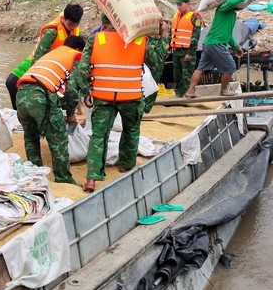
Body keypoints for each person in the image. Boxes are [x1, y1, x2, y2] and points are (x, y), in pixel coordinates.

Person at [76, 14, 166, 193]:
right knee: (131, 131)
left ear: (104, 24)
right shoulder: (140, 39)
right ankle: (126, 166)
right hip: (131, 97)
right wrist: (163, 36)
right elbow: (156, 62)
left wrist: (86, 91)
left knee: (99, 135)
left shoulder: (96, 38)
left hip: (103, 96)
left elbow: (83, 69)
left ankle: (92, 178)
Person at [16, 35, 86, 184]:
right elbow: (72, 91)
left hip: (21, 92)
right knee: (58, 138)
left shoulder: (52, 54)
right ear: (79, 49)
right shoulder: (74, 57)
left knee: (31, 136)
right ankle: (63, 179)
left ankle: (35, 174)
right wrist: (70, 114)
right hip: (40, 95)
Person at [5, 4, 84, 110]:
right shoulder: (52, 31)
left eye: (76, 24)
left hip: (57, 65)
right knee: (11, 82)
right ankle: (19, 113)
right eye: (70, 24)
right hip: (39, 62)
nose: (73, 27)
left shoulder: (74, 28)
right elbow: (38, 55)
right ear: (64, 18)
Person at [185, 0, 255, 98]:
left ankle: (190, 91)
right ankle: (224, 90)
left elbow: (228, 35)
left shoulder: (231, 14)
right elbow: (232, 2)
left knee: (201, 68)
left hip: (209, 43)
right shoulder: (224, 7)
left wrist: (236, 47)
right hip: (216, 44)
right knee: (230, 67)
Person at [168, 0, 203, 97]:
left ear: (187, 4)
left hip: (187, 51)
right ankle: (179, 93)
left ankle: (188, 93)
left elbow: (196, 36)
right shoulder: (176, 16)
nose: (178, 7)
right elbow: (171, 33)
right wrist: (168, 46)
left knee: (187, 74)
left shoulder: (194, 17)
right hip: (176, 51)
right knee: (177, 74)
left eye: (180, 4)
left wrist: (190, 53)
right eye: (177, 5)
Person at [143, 20, 169, 113]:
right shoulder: (149, 41)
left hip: (152, 68)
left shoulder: (157, 41)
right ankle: (145, 108)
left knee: (151, 87)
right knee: (151, 88)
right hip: (152, 67)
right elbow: (158, 58)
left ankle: (145, 108)